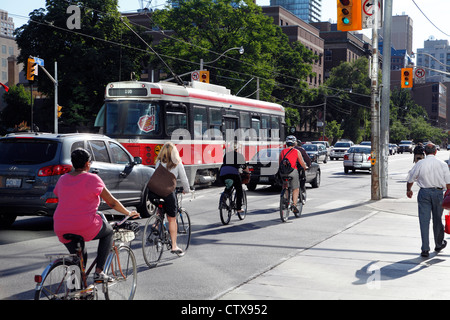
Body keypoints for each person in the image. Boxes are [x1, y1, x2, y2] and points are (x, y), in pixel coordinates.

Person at [53, 148, 140, 282]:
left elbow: (62, 197)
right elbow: (112, 203)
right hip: (84, 224)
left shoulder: (63, 179)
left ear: (73, 164)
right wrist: (128, 213)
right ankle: (99, 272)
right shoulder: (93, 179)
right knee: (108, 232)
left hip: (61, 225)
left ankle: (76, 289)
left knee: (80, 255)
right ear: (87, 164)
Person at [406, 143, 450, 257]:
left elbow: (411, 178)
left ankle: (425, 249)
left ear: (424, 152)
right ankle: (439, 244)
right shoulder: (442, 164)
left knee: (424, 221)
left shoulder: (420, 163)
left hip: (424, 193)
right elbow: (448, 183)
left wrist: (409, 190)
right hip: (438, 193)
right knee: (437, 220)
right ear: (436, 152)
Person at [148, 142, 190, 255]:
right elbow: (184, 179)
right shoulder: (177, 163)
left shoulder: (158, 162)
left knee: (160, 206)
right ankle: (174, 246)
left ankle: (156, 223)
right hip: (168, 193)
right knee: (172, 219)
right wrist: (187, 189)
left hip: (153, 193)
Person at [279, 136, 308, 213]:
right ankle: (294, 205)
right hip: (292, 171)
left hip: (283, 172)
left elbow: (280, 163)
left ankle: (285, 199)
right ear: (294, 143)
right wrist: (305, 167)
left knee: (285, 185)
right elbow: (302, 163)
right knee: (296, 188)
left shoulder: (282, 151)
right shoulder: (296, 151)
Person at [219, 141, 248, 213]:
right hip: (233, 174)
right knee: (239, 189)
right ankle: (238, 208)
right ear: (237, 148)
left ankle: (224, 199)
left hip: (222, 173)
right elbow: (245, 167)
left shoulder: (226, 155)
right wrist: (247, 173)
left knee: (229, 185)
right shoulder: (239, 155)